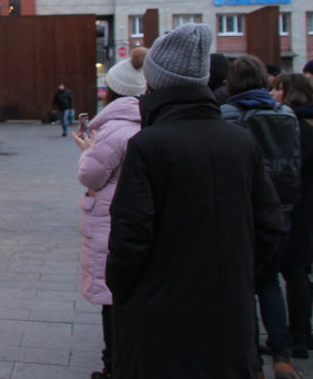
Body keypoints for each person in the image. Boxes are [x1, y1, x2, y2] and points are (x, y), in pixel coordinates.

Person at [106, 24, 285, 378]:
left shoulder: (148, 145)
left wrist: (124, 291)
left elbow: (130, 238)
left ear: (154, 82)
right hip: (229, 315)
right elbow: (270, 223)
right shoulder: (241, 141)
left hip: (159, 318)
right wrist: (237, 274)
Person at [222, 55, 302, 379]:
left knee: (242, 285)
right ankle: (282, 356)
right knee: (270, 282)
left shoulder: (226, 114)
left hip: (241, 211)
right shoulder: (286, 114)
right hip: (281, 208)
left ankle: (252, 361)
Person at [72, 47, 148, 379]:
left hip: (111, 221)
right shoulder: (148, 122)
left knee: (112, 299)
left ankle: (113, 366)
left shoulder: (116, 128)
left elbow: (90, 175)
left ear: (112, 92)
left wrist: (87, 150)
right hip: (136, 220)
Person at [275, 73, 313, 360]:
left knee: (295, 270)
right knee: (300, 270)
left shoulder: (297, 126)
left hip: (300, 206)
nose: (273, 93)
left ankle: (298, 337)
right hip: (307, 204)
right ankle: (304, 334)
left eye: (277, 88)